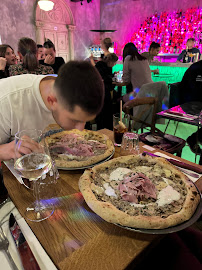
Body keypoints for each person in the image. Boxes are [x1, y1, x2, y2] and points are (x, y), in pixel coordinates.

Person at [0, 61, 104, 161]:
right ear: (52, 101)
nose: (81, 129)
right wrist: (3, 151)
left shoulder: (66, 88)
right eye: (74, 120)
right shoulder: (6, 100)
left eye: (86, 121)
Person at [178, 60, 202, 156]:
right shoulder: (197, 68)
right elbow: (195, 90)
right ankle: (194, 138)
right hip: (190, 103)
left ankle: (195, 138)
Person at [95, 53, 118, 130]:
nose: (114, 65)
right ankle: (106, 127)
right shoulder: (100, 66)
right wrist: (112, 78)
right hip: (99, 92)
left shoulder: (104, 66)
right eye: (114, 63)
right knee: (109, 103)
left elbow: (108, 80)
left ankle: (107, 126)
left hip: (103, 91)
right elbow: (104, 79)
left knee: (113, 100)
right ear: (111, 61)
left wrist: (112, 77)